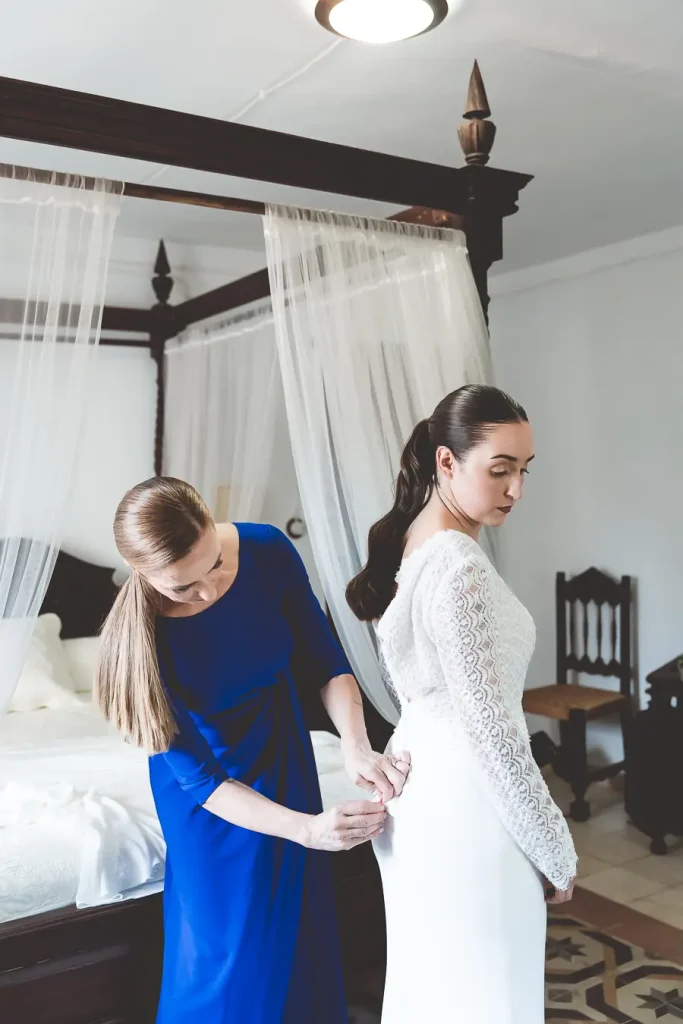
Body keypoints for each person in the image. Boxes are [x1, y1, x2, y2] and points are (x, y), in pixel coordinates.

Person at [95, 477, 410, 1024]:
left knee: (299, 933)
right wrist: (309, 829)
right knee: (224, 960)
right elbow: (202, 781)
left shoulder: (266, 549)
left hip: (286, 758)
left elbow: (325, 660)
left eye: (213, 565)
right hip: (211, 805)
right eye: (182, 588)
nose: (207, 592)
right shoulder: (139, 640)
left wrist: (356, 745)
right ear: (145, 578)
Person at [347, 385, 577, 1024]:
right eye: (499, 470)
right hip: (467, 803)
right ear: (446, 463)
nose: (516, 490)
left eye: (524, 471)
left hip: (424, 790)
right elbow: (495, 732)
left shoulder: (420, 545)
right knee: (487, 996)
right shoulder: (459, 566)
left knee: (439, 989)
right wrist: (555, 848)